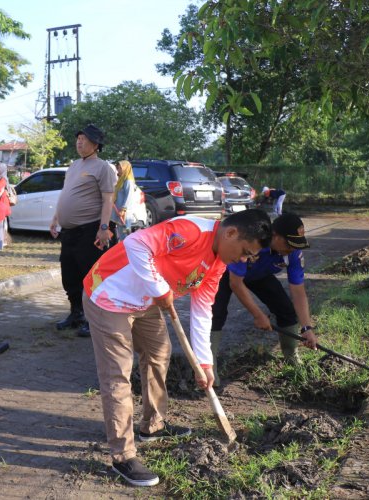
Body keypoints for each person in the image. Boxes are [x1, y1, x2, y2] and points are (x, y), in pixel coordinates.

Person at [83, 210, 272, 487]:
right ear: (230, 233)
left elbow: (203, 308)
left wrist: (204, 363)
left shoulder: (218, 262)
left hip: (145, 301)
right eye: (244, 252)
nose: (243, 260)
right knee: (117, 375)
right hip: (109, 294)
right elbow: (136, 243)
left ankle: (153, 425)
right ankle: (123, 455)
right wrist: (159, 287)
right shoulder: (191, 230)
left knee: (160, 353)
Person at [210, 213, 318, 380]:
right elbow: (236, 283)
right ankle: (208, 366)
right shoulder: (253, 241)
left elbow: (298, 291)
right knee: (216, 313)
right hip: (227, 273)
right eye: (289, 243)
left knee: (286, 310)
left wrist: (307, 328)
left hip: (259, 275)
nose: (293, 248)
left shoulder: (293, 253)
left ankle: (291, 356)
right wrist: (258, 315)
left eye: (296, 245)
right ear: (274, 235)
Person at [49, 124, 117, 338]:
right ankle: (76, 313)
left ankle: (94, 319)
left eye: (84, 139)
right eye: (78, 138)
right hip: (69, 232)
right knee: (69, 275)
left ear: (95, 145)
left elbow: (108, 200)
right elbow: (65, 193)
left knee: (91, 276)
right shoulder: (74, 165)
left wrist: (104, 228)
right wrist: (56, 218)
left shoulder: (103, 167)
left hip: (90, 231)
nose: (79, 142)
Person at [111, 160, 144, 241]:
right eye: (118, 168)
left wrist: (124, 209)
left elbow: (129, 196)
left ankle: (125, 248)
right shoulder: (121, 180)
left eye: (120, 168)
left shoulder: (128, 181)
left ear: (125, 169)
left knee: (124, 231)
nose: (118, 170)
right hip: (119, 210)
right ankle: (122, 247)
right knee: (121, 231)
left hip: (124, 212)